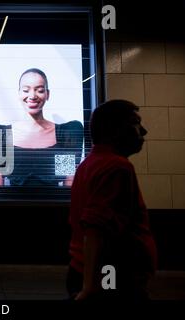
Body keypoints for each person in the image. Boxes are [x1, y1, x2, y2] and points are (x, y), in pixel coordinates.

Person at [67, 99, 157, 301]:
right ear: (115, 130)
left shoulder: (89, 163)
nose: (143, 131)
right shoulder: (117, 167)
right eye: (135, 123)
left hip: (89, 269)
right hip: (110, 273)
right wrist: (91, 288)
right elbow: (96, 228)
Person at [0, 68, 84, 187]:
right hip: (11, 205)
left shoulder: (64, 135)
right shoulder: (1, 135)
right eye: (26, 90)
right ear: (19, 94)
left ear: (47, 94)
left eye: (40, 90)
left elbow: (68, 186)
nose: (32, 96)